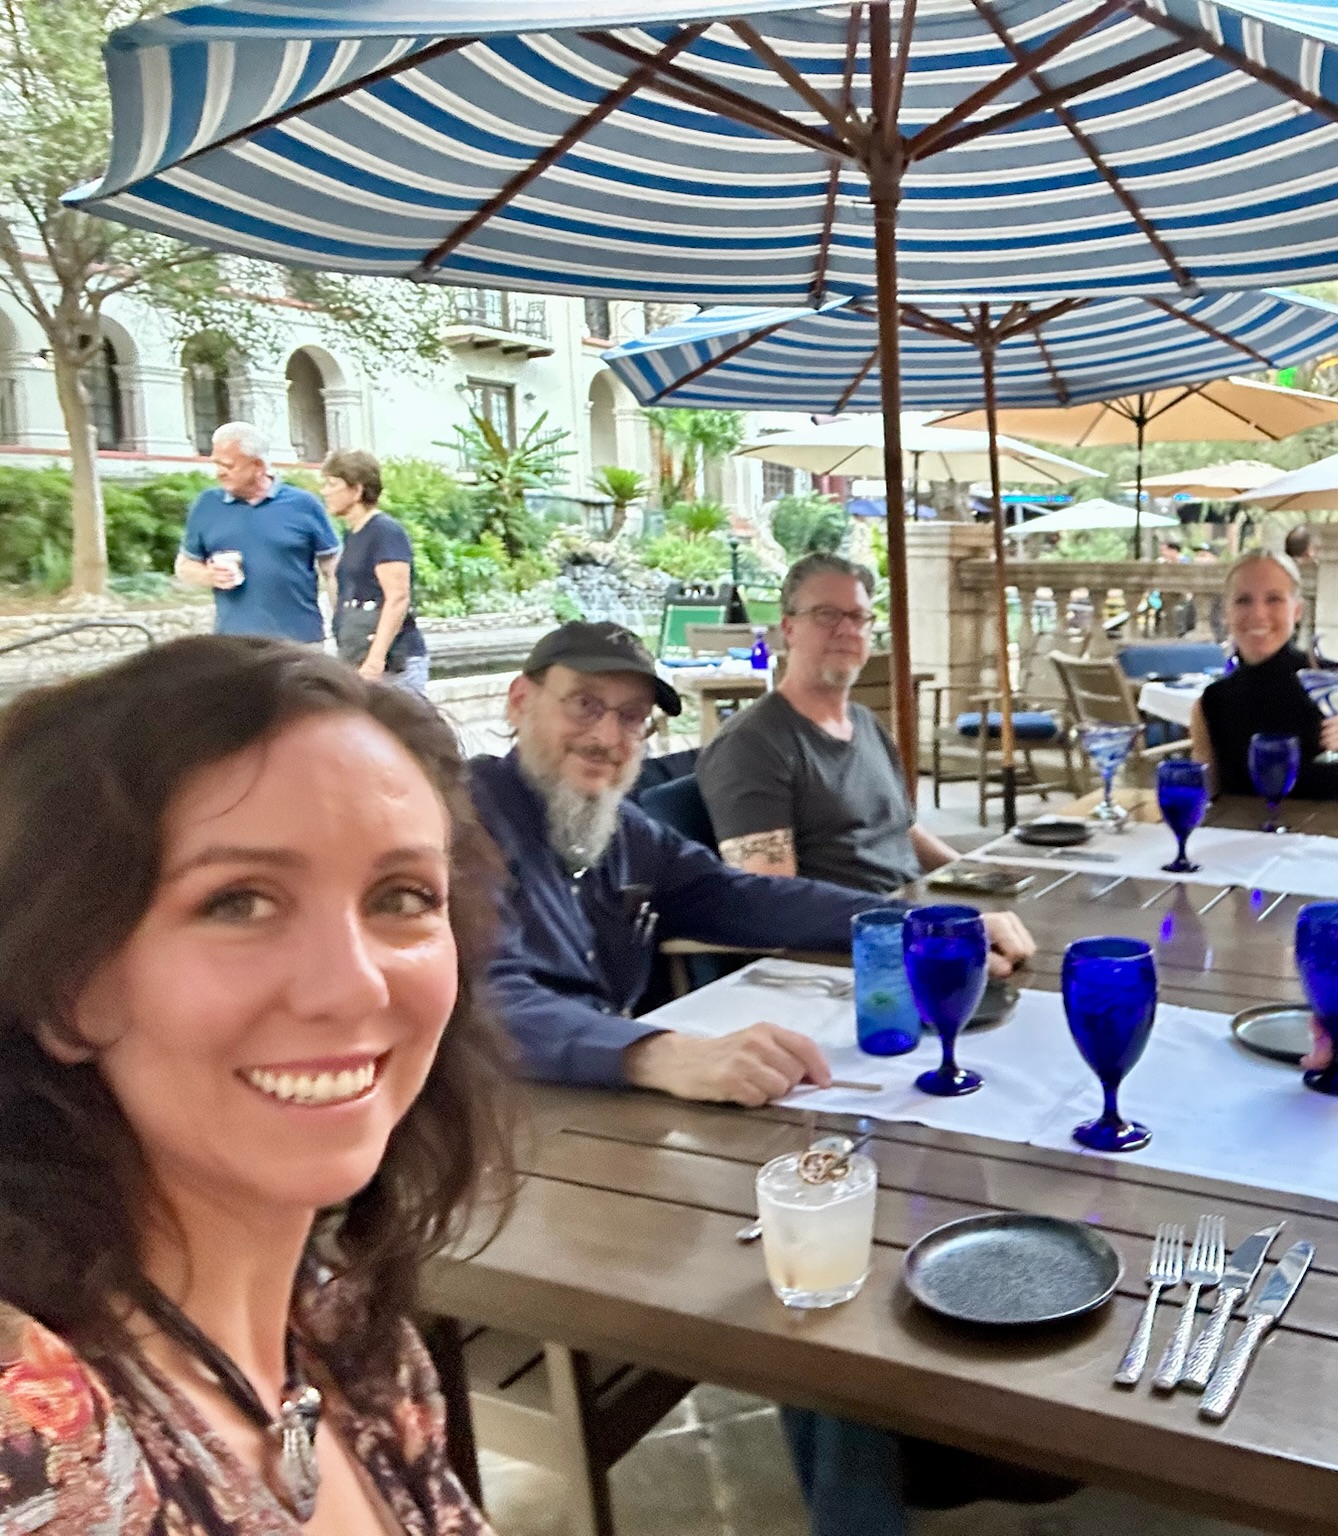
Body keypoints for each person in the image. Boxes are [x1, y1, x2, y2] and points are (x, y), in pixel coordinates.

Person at [0, 636, 509, 1533]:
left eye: (401, 897)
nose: (354, 986)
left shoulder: (354, 1340)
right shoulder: (33, 1435)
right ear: (67, 988)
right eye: (237, 901)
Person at [469, 621, 1033, 1105]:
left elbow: (740, 896)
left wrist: (914, 926)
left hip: (604, 1099)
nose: (607, 736)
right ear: (520, 701)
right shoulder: (462, 822)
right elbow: (479, 999)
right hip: (505, 1113)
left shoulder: (620, 827)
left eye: (632, 716)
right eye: (584, 704)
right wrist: (657, 1054)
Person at [697, 553, 964, 894]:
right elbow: (773, 898)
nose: (847, 629)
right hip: (849, 924)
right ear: (789, 628)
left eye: (858, 616)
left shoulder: (866, 724)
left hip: (917, 909)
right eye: (827, 614)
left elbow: (902, 831)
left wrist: (979, 874)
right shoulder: (750, 745)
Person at [1190, 549, 1338, 797]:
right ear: (1227, 612)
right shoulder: (1212, 702)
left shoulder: (1335, 682)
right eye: (1243, 600)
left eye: (1274, 599)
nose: (1258, 614)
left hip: (1337, 823)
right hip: (1247, 824)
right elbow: (1205, 797)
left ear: (1297, 610)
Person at [175, 422, 341, 643]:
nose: (220, 472)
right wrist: (209, 575)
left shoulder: (303, 504)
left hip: (300, 642)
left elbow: (333, 570)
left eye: (228, 465)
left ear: (258, 466)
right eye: (217, 464)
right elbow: (185, 566)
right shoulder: (207, 505)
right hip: (234, 644)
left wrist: (343, 625)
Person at [323, 449, 430, 693]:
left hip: (392, 663)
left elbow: (398, 597)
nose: (325, 491)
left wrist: (375, 659)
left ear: (356, 490)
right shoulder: (353, 534)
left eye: (332, 484)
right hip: (357, 657)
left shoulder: (385, 532)